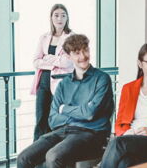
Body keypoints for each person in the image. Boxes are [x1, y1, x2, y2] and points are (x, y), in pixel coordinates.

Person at [18, 34, 114, 168]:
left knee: (53, 156)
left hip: (92, 134)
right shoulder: (63, 84)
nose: (83, 56)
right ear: (68, 57)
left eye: (85, 50)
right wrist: (77, 114)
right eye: (77, 53)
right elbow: (53, 120)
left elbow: (90, 113)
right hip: (63, 132)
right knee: (24, 157)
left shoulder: (102, 79)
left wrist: (65, 110)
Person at [30, 3, 74, 141]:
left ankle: (53, 152)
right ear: (51, 18)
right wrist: (55, 61)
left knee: (56, 117)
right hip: (43, 80)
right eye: (56, 15)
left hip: (61, 82)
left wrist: (48, 59)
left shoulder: (72, 37)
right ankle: (36, 154)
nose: (59, 18)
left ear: (67, 18)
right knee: (41, 117)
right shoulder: (44, 37)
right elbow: (36, 61)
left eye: (63, 15)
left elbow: (68, 62)